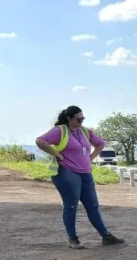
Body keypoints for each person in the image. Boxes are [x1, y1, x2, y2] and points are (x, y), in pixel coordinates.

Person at [35, 106, 124, 249]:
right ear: (69, 118)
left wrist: (91, 157)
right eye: (78, 119)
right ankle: (73, 239)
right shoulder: (60, 131)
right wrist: (57, 155)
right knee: (71, 205)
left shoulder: (83, 131)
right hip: (66, 173)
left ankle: (106, 236)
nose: (81, 121)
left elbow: (100, 143)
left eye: (83, 118)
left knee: (93, 205)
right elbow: (40, 141)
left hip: (85, 173)